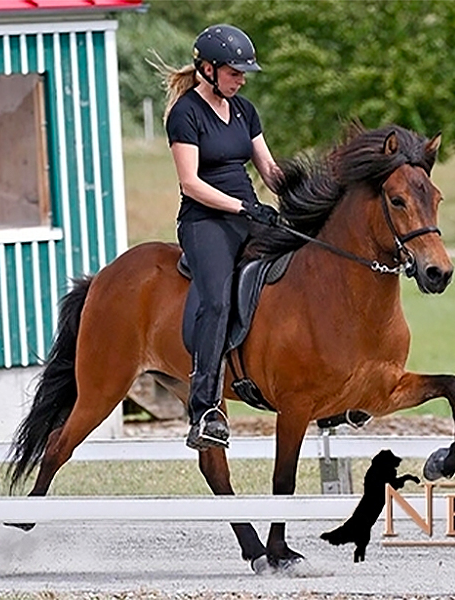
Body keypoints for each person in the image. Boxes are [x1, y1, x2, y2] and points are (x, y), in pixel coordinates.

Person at [163, 24, 282, 451]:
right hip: (206, 222)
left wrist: (298, 191)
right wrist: (241, 207)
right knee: (215, 301)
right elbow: (190, 183)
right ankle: (205, 409)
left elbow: (267, 168)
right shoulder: (185, 114)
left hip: (249, 212)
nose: (242, 78)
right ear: (208, 69)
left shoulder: (244, 109)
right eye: (235, 71)